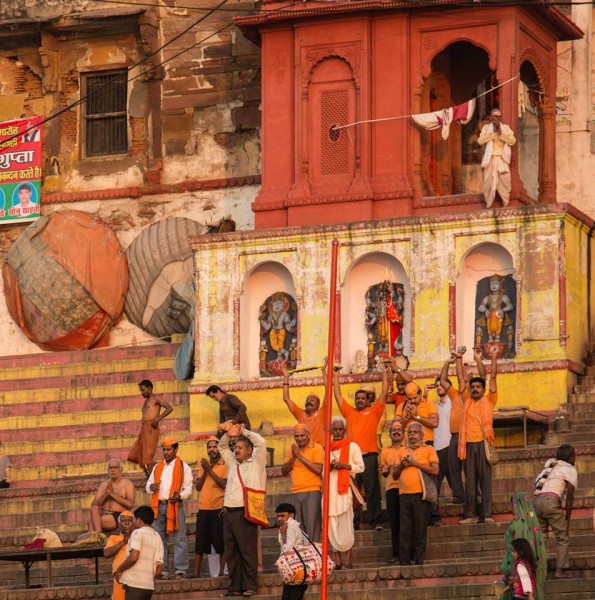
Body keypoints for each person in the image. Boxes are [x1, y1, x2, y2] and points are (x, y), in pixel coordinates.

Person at [332, 360, 385, 531]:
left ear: (368, 400)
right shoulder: (349, 412)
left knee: (372, 491)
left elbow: (384, 393)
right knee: (352, 491)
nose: (360, 401)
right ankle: (353, 523)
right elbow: (338, 396)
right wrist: (336, 376)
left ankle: (375, 521)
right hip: (351, 458)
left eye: (363, 398)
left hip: (369, 457)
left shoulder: (374, 412)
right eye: (357, 398)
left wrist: (384, 372)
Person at [219, 426, 267, 597]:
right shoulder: (232, 461)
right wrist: (228, 434)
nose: (236, 450)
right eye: (236, 447)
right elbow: (222, 447)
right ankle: (235, 586)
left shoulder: (256, 462)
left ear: (249, 450)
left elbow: (261, 442)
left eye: (240, 447)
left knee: (247, 550)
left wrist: (244, 432)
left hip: (246, 511)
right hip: (229, 511)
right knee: (231, 551)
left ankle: (250, 585)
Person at [458, 347, 498, 524]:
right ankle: (471, 515)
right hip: (467, 445)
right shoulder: (466, 400)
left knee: (485, 482)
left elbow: (492, 377)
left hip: (483, 444)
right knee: (470, 483)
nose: (474, 389)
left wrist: (491, 357)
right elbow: (460, 378)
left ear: (483, 389)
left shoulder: (489, 400)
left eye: (478, 387)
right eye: (472, 387)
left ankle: (487, 514)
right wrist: (459, 359)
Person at [392, 422, 439, 566]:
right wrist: (402, 465)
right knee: (405, 530)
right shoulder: (401, 451)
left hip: (421, 495)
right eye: (410, 432)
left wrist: (415, 463)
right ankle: (404, 562)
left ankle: (419, 561)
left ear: (422, 435)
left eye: (415, 432)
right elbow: (394, 475)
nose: (412, 435)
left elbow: (435, 471)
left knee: (420, 529)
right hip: (404, 495)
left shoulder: (429, 449)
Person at [146, 437, 193, 579]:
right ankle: (163, 570)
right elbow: (148, 485)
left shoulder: (183, 467)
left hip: (175, 505)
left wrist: (180, 495)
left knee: (179, 538)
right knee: (160, 540)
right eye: (164, 450)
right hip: (158, 506)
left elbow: (188, 487)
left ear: (176, 449)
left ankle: (181, 570)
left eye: (169, 450)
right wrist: (151, 486)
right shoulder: (157, 467)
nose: (166, 453)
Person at [533, 444, 577, 579]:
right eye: (574, 457)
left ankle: (539, 571)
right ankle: (559, 571)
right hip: (551, 503)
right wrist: (568, 519)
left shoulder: (550, 464)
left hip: (537, 502)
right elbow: (569, 498)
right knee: (562, 537)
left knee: (541, 539)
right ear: (570, 458)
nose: (575, 459)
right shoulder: (569, 469)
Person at [327, 416, 364, 569]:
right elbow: (323, 471)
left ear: (345, 430)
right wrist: (329, 466)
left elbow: (360, 467)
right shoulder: (326, 447)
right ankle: (338, 561)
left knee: (347, 525)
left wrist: (345, 466)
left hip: (345, 490)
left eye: (339, 429)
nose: (337, 432)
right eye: (334, 429)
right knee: (332, 526)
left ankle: (348, 560)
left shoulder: (353, 446)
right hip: (330, 491)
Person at [281, 424, 323, 542]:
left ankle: (315, 556)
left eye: (302, 436)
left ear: (308, 435)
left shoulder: (317, 448)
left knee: (312, 526)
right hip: (295, 491)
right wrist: (293, 458)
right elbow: (284, 471)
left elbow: (318, 470)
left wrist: (300, 456)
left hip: (312, 490)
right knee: (298, 528)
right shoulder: (292, 449)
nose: (299, 438)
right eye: (296, 436)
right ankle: (303, 557)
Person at [194, 436, 228, 578]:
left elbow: (224, 484)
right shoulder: (204, 465)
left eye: (214, 447)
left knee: (220, 544)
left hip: (218, 509)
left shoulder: (225, 464)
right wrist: (206, 470)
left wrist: (210, 470)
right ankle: (196, 574)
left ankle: (221, 573)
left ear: (219, 448)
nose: (211, 450)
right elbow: (198, 487)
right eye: (209, 447)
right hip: (203, 509)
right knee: (200, 544)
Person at [501, 493, 546, 600]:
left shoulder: (519, 524)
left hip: (520, 590)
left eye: (514, 504)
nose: (513, 508)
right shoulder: (526, 523)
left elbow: (525, 580)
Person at [114, 505, 164, 600]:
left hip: (134, 585)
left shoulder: (138, 533)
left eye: (135, 519)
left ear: (139, 520)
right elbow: (158, 570)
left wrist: (119, 570)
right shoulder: (157, 536)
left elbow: (133, 558)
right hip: (148, 587)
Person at [438, 352, 468, 505]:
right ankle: (459, 495)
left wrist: (459, 359)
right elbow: (443, 380)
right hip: (454, 436)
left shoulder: (472, 396)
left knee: (470, 470)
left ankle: (474, 496)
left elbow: (461, 377)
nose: (464, 380)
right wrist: (447, 363)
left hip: (469, 435)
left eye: (467, 379)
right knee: (453, 467)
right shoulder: (454, 394)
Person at [128, 380, 173, 477]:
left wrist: (158, 419)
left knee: (148, 456)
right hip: (144, 429)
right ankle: (149, 478)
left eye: (143, 390)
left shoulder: (156, 398)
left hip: (151, 428)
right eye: (141, 391)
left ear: (149, 388)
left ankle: (162, 470)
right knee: (139, 455)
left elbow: (169, 408)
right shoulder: (146, 401)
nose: (142, 393)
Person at [477, 108, 517, 208]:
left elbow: (512, 141)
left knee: (505, 180)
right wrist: (492, 134)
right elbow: (480, 141)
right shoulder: (486, 128)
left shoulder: (506, 128)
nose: (497, 118)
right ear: (491, 117)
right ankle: (489, 204)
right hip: (490, 159)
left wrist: (501, 134)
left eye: (499, 116)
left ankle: (505, 203)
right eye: (495, 116)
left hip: (502, 159)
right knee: (488, 182)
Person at [281, 364, 325, 446]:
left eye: (312, 400)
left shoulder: (322, 412)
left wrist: (323, 371)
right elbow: (286, 398)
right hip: (304, 451)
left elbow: (328, 391)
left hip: (320, 451)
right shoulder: (301, 413)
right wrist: (286, 377)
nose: (309, 402)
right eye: (307, 400)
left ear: (318, 404)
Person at [380, 421, 405, 563]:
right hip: (391, 488)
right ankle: (396, 554)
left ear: (403, 433)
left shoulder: (408, 448)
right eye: (393, 430)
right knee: (394, 523)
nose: (396, 432)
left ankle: (409, 553)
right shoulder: (385, 451)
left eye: (399, 429)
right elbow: (384, 472)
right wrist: (385, 470)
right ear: (389, 434)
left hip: (406, 489)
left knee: (407, 522)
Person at [90, 460, 135, 532]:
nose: (113, 470)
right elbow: (95, 505)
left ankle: (98, 533)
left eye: (115, 467)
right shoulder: (104, 485)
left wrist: (112, 494)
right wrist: (106, 495)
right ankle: (97, 533)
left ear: (121, 469)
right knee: (94, 509)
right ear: (108, 470)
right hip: (104, 514)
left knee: (94, 523)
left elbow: (130, 504)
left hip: (119, 516)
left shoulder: (127, 484)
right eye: (110, 468)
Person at [276, 503, 307, 600]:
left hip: (295, 571)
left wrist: (284, 534)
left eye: (282, 515)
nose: (279, 519)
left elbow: (287, 550)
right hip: (296, 570)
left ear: (291, 515)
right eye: (278, 516)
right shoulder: (292, 526)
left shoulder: (291, 526)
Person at [104, 511, 136, 600]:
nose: (126, 523)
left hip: (135, 578)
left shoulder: (138, 537)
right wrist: (123, 542)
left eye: (130, 520)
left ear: (134, 524)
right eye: (123, 520)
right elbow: (106, 553)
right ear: (118, 525)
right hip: (119, 578)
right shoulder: (114, 538)